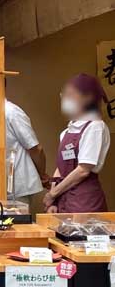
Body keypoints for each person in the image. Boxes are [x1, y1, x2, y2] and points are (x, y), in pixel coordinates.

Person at [0, 81, 47, 206]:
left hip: (18, 184)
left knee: (18, 223)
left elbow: (35, 148)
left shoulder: (11, 112)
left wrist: (42, 174)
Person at [44, 74, 110, 213]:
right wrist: (53, 202)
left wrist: (52, 194)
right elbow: (60, 169)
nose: (64, 99)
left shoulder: (95, 127)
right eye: (64, 95)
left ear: (87, 99)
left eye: (71, 95)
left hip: (85, 201)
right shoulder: (66, 131)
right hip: (64, 199)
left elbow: (83, 170)